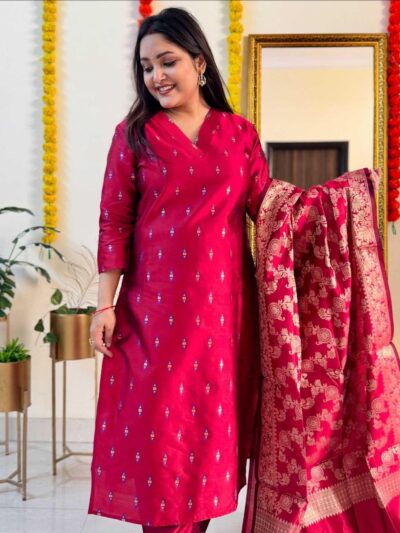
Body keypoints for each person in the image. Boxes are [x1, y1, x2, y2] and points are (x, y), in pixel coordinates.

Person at [87, 7, 270, 532]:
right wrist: (104, 305)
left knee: (206, 441)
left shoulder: (238, 135)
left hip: (222, 318)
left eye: (167, 62)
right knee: (161, 446)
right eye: (146, 67)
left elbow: (271, 211)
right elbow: (113, 222)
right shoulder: (135, 135)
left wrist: (338, 204)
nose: (156, 76)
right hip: (153, 316)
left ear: (199, 63)